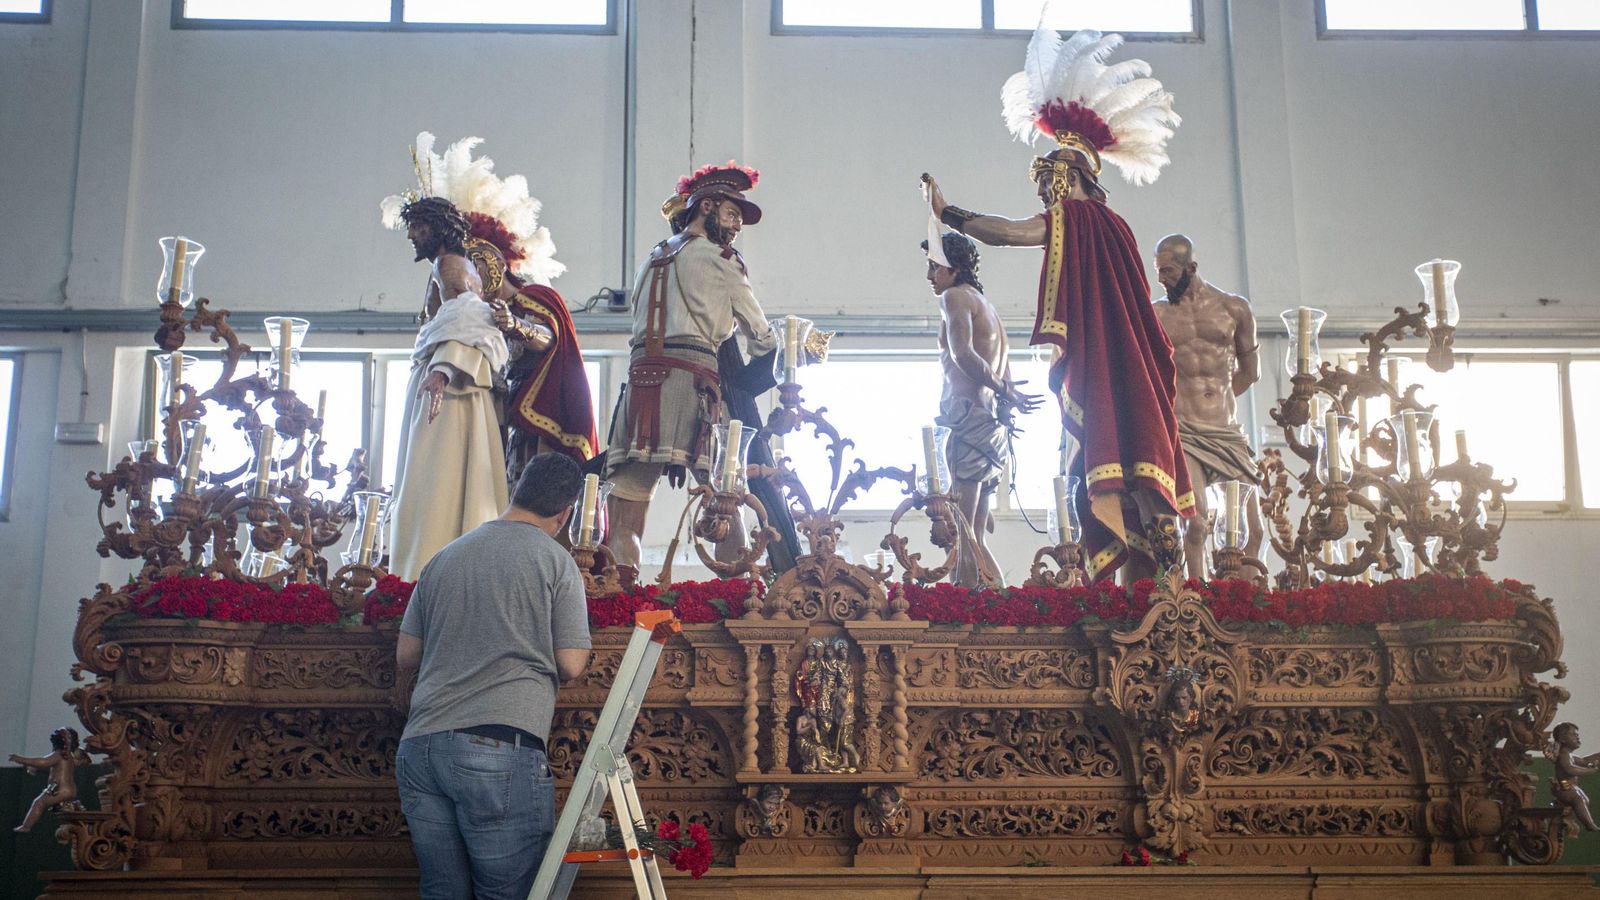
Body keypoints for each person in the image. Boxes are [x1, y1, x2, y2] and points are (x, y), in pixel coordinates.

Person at [923, 27, 1192, 582]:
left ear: (1069, 177)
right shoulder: (1117, 226)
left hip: (1102, 363)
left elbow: (1008, 235)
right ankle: (1166, 588)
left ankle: (1149, 590)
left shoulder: (1078, 217)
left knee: (1101, 469)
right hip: (1134, 365)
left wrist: (949, 213)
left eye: (1049, 181)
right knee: (1141, 475)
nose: (1045, 193)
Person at [393, 452, 592, 900]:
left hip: (421, 747)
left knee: (443, 891)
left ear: (516, 492)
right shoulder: (556, 562)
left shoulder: (444, 557)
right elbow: (572, 662)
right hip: (497, 747)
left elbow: (407, 654)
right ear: (565, 512)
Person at [604, 162, 777, 569]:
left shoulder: (652, 258)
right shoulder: (721, 259)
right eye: (731, 214)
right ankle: (735, 600)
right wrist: (794, 349)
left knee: (625, 511)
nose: (736, 227)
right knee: (724, 499)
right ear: (705, 208)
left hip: (641, 385)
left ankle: (617, 608)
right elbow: (762, 336)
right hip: (695, 385)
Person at [385, 196, 510, 580]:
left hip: (449, 386)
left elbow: (469, 313)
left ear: (438, 228)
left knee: (435, 478)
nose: (411, 235)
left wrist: (441, 369)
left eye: (418, 226)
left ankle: (425, 570)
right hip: (456, 378)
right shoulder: (452, 264)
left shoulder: (449, 264)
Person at [924, 230, 1040, 587]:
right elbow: (1005, 368)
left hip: (967, 418)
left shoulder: (955, 297)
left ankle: (965, 608)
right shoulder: (986, 305)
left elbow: (962, 355)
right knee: (974, 530)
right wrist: (1005, 397)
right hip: (991, 426)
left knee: (962, 528)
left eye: (934, 268)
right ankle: (994, 604)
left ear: (955, 268)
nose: (930, 276)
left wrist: (1003, 389)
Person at [1151, 234, 1264, 578]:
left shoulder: (1235, 309)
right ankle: (1196, 598)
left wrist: (1217, 402)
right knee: (1196, 523)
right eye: (1158, 271)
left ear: (1192, 268)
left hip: (1225, 430)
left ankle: (1245, 600)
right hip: (1183, 431)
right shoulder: (1156, 315)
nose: (1161, 279)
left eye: (1168, 271)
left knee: (1253, 529)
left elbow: (1251, 372)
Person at [10, 727, 88, 832]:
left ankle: (26, 826)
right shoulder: (67, 757)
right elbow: (54, 771)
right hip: (68, 790)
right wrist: (37, 770)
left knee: (39, 803)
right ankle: (72, 806)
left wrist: (21, 759)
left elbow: (43, 762)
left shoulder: (59, 754)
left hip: (59, 790)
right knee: (56, 807)